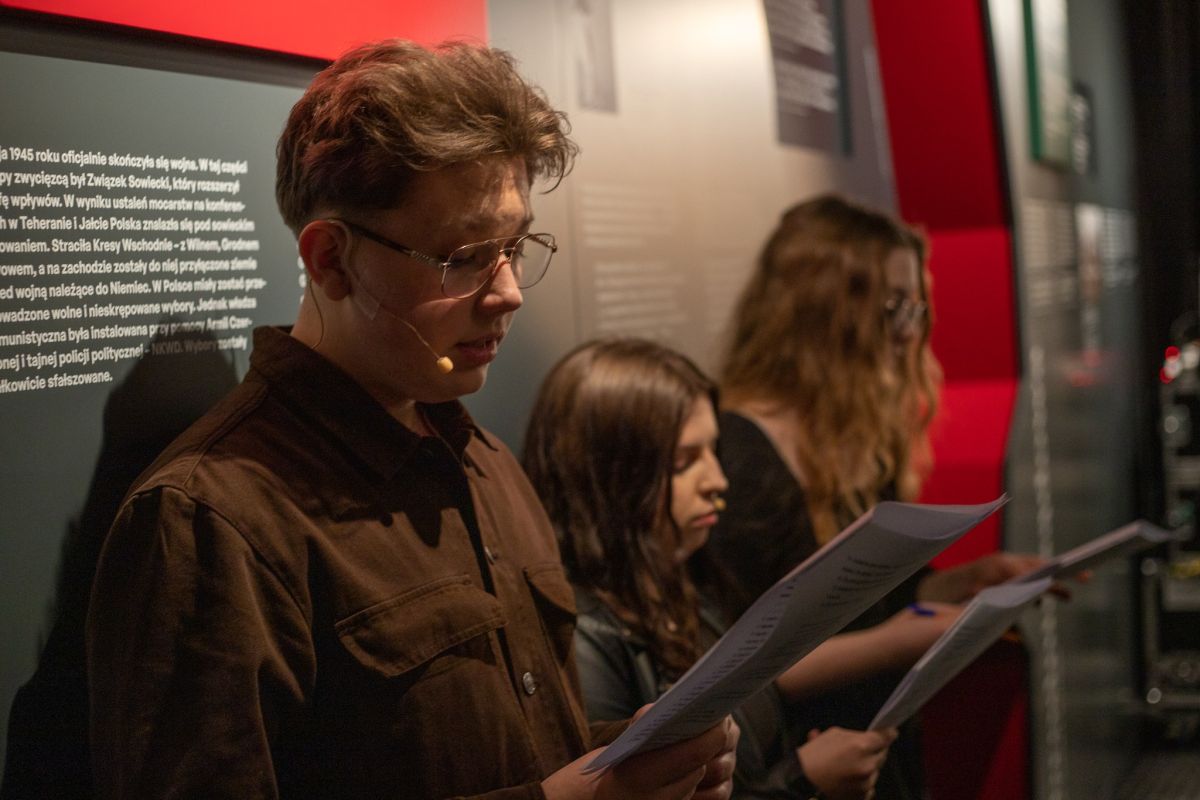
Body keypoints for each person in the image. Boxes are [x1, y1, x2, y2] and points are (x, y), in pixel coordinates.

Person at [85, 40, 739, 800]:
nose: (509, 291)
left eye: (517, 246)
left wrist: (628, 758)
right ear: (331, 260)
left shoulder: (483, 460)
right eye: (464, 256)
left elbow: (497, 749)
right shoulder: (213, 521)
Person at [711, 194, 1048, 798]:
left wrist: (969, 581)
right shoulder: (738, 458)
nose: (909, 332)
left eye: (915, 308)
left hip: (871, 745)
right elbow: (744, 668)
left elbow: (874, 600)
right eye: (893, 307)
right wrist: (901, 642)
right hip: (798, 761)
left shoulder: (852, 439)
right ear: (824, 310)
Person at [524, 338, 898, 800]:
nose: (718, 481)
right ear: (608, 473)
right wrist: (803, 779)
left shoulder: (685, 581)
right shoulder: (584, 637)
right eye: (683, 463)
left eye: (713, 451)